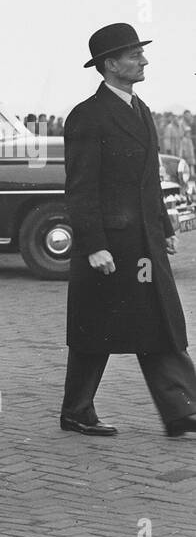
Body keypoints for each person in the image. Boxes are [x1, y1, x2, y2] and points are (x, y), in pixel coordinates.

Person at [60, 23, 196, 438]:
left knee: (157, 321)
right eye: (134, 54)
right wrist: (93, 245)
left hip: (143, 242)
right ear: (110, 64)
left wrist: (165, 226)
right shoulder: (88, 116)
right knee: (95, 329)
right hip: (111, 246)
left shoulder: (140, 110)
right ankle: (78, 411)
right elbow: (81, 187)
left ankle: (181, 411)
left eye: (141, 53)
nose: (144, 61)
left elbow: (147, 180)